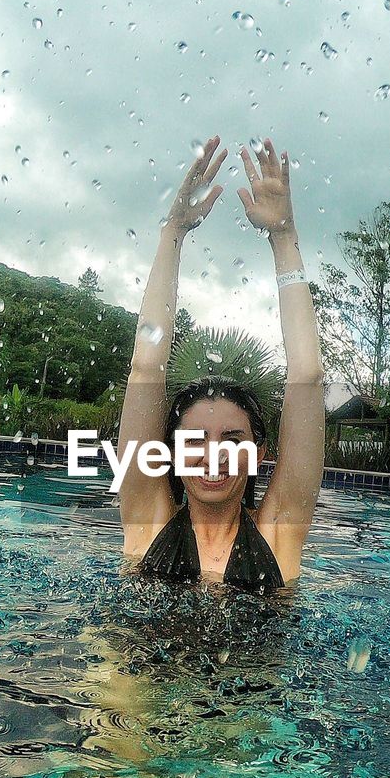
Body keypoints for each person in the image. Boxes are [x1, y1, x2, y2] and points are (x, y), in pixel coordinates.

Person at [118, 135, 324, 590]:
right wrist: (173, 231)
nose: (213, 456)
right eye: (194, 440)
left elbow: (307, 375)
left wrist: (284, 237)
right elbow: (146, 369)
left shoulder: (278, 533)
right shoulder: (146, 519)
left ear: (259, 454)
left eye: (232, 440)